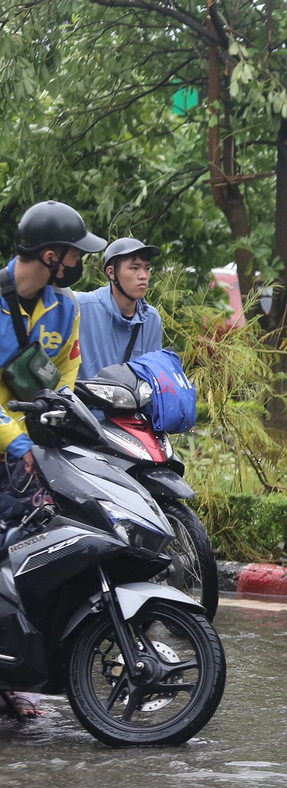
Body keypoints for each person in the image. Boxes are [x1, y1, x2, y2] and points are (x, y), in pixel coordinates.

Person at [0, 200, 106, 720]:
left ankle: (21, 669)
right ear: (50, 255)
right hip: (9, 448)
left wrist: (61, 414)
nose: (79, 261)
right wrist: (16, 443)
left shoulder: (66, 307)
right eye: (74, 253)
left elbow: (68, 369)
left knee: (42, 549)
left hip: (38, 446)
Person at [75, 238, 165, 378]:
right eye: (134, 268)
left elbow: (154, 376)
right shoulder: (82, 306)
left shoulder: (152, 319)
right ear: (111, 273)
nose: (143, 276)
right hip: (83, 398)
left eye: (147, 268)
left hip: (130, 399)